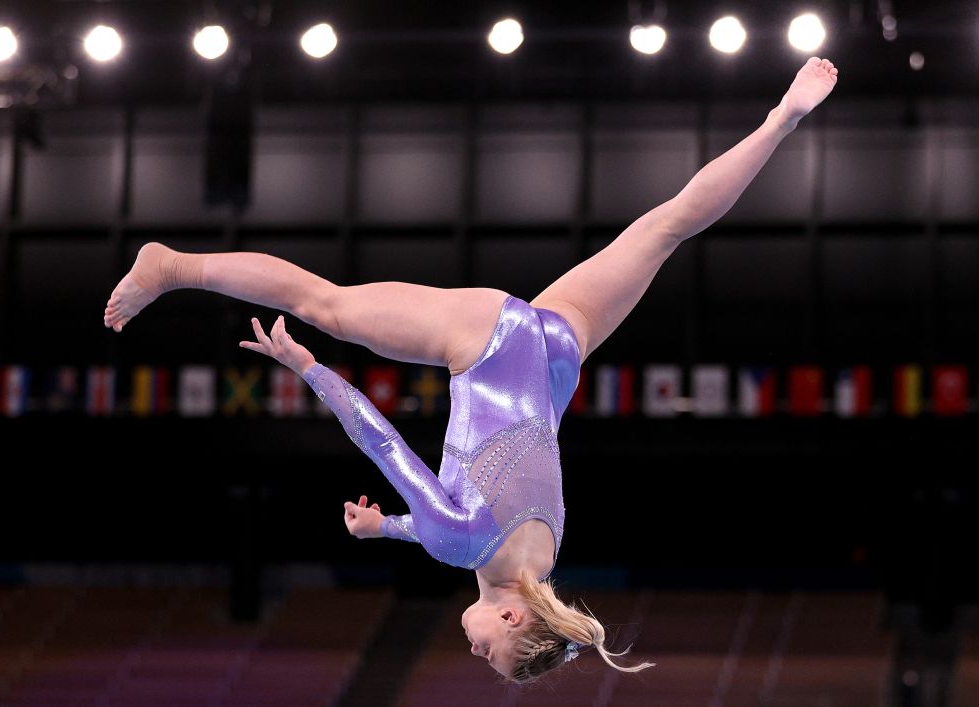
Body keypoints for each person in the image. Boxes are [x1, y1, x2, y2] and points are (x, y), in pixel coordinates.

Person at [104, 58, 838, 683]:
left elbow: (455, 504)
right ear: (515, 616)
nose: (475, 645)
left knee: (667, 225)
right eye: (491, 647)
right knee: (320, 304)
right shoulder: (461, 547)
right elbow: (383, 444)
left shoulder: (542, 553)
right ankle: (174, 264)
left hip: (557, 354)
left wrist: (384, 527)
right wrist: (309, 367)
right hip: (487, 344)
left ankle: (780, 119)